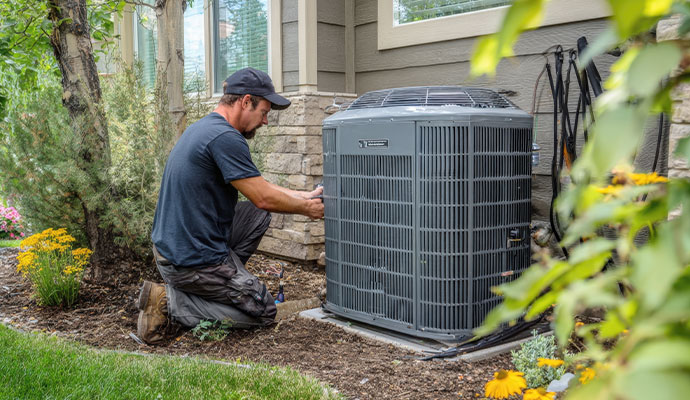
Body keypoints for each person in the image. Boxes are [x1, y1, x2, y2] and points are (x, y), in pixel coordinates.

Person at [137, 67, 324, 344]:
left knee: (258, 216)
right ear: (246, 101)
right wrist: (307, 209)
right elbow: (263, 196)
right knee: (262, 311)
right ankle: (169, 301)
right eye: (264, 112)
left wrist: (304, 196)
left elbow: (259, 188)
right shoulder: (225, 137)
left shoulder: (205, 128)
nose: (266, 122)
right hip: (189, 261)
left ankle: (226, 285)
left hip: (177, 248)